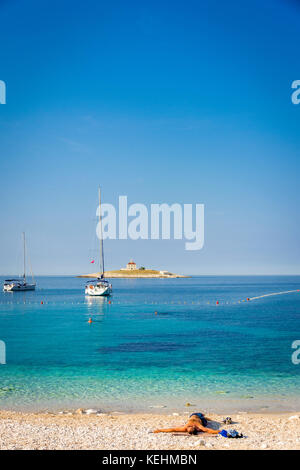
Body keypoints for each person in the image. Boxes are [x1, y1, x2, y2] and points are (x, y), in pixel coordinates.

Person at [153, 412, 219, 435]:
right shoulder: (198, 426)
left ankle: (204, 416)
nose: (188, 427)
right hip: (201, 419)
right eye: (189, 427)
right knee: (202, 416)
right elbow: (208, 430)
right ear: (194, 427)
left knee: (193, 414)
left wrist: (160, 430)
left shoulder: (185, 428)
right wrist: (218, 431)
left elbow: (173, 429)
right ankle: (205, 417)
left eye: (188, 428)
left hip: (193, 416)